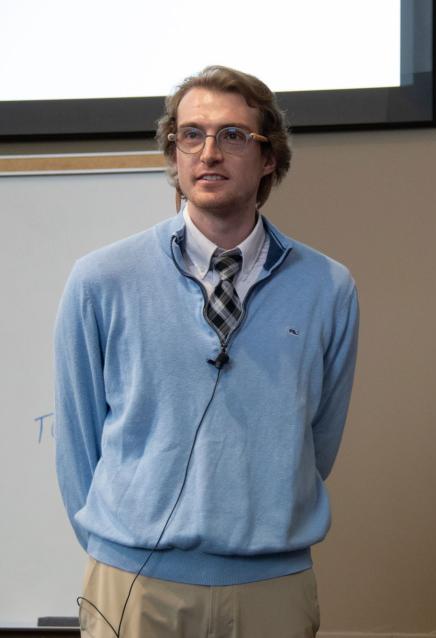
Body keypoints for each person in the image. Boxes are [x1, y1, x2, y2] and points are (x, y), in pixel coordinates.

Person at [54, 65, 359, 637]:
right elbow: (77, 441)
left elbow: (316, 439)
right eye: (190, 135)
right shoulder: (101, 279)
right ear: (174, 152)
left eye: (233, 135)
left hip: (273, 587)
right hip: (135, 581)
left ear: (269, 158)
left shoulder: (327, 286)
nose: (208, 152)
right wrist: (115, 550)